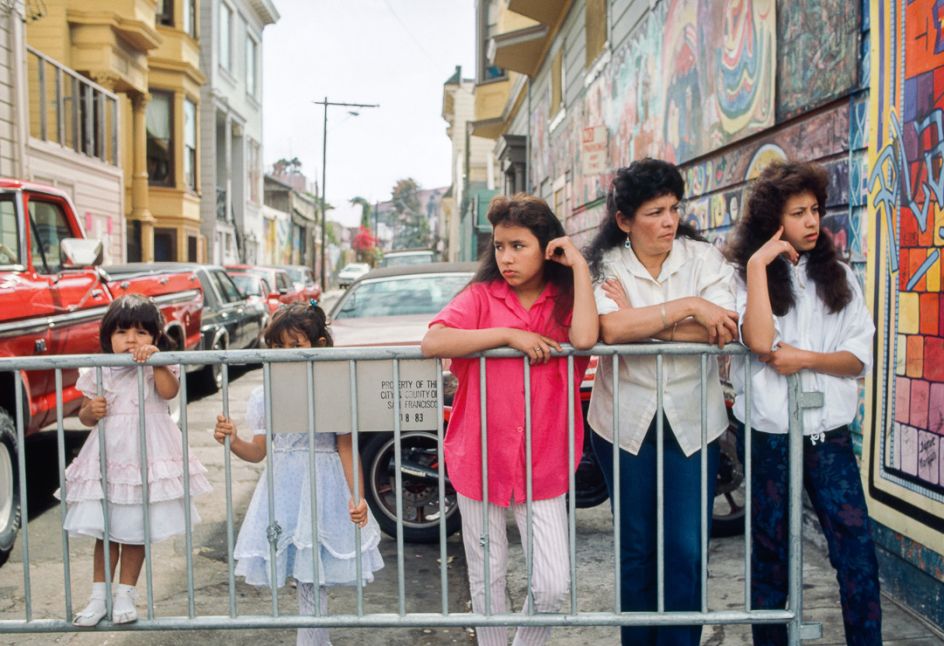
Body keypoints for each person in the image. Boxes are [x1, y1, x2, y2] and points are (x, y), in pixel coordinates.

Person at [421, 194, 598, 645]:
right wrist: (508, 335)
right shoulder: (481, 297)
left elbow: (583, 339)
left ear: (547, 247)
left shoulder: (565, 301)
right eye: (499, 246)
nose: (506, 257)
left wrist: (578, 266)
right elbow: (433, 342)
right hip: (478, 456)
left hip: (544, 459)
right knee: (487, 581)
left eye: (519, 246)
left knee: (553, 583)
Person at [727, 161, 881, 646]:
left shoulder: (840, 277)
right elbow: (757, 342)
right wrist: (757, 265)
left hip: (826, 437)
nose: (812, 222)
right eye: (798, 212)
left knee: (856, 552)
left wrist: (804, 359)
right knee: (770, 555)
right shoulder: (744, 276)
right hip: (768, 435)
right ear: (773, 219)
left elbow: (859, 358)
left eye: (815, 210)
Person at [584, 158, 737, 645]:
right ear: (625, 219)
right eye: (654, 212)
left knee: (686, 549)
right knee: (636, 548)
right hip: (624, 423)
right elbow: (609, 329)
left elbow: (725, 327)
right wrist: (690, 308)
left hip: (693, 422)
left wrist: (642, 320)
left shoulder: (703, 259)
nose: (668, 221)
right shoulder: (607, 264)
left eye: (673, 208)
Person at [213, 302, 383, 646]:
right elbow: (259, 450)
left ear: (318, 345)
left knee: (313, 572)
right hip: (285, 486)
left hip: (323, 484)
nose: (287, 354)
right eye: (278, 348)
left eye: (296, 345)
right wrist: (232, 440)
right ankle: (314, 639)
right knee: (302, 572)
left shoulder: (335, 389)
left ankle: (311, 640)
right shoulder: (266, 394)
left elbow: (345, 447)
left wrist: (358, 497)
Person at [60, 294, 212, 626]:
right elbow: (85, 415)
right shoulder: (99, 369)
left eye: (142, 333)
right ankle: (98, 597)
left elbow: (169, 392)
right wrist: (91, 411)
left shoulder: (159, 365)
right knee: (106, 529)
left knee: (135, 529)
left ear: (156, 337)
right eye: (122, 332)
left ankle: (125, 595)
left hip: (147, 455)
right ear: (107, 337)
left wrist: (157, 361)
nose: (131, 340)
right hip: (109, 456)